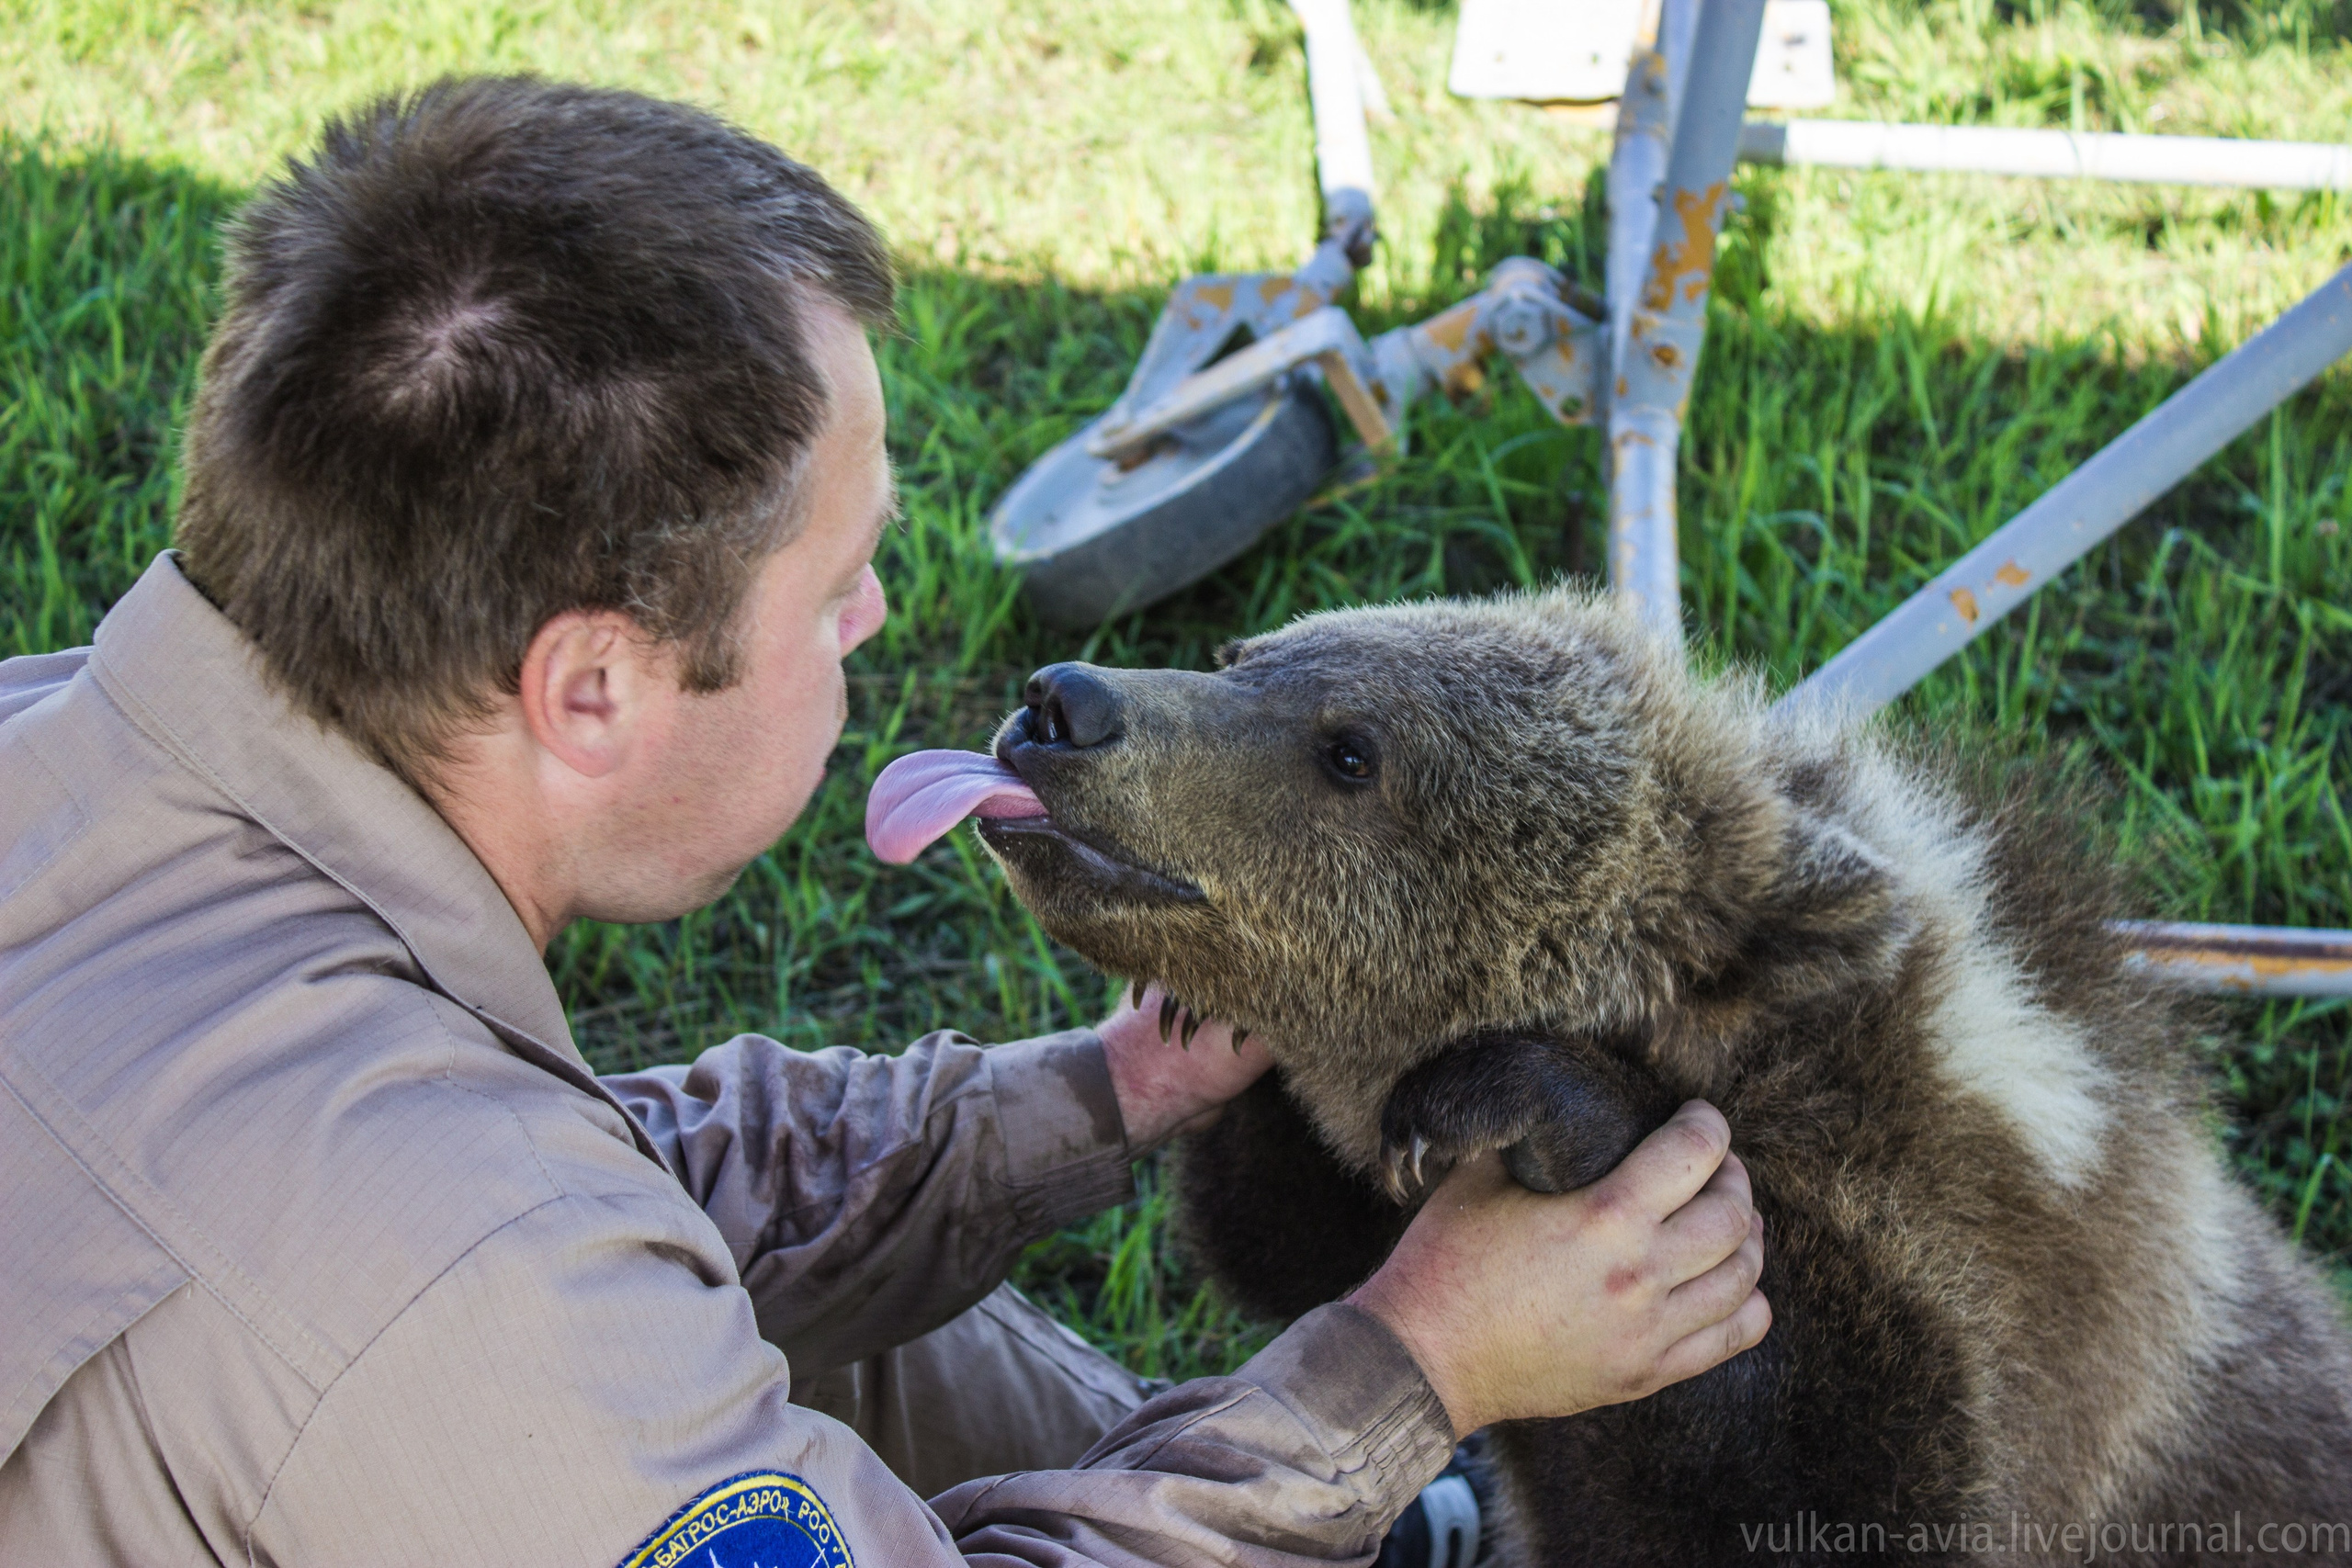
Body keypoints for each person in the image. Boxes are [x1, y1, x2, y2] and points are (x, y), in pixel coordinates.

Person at [0, 76, 1770, 1566]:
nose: (868, 628)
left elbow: (603, 1190)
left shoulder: (72, 751)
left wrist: (1090, 1096)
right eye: (836, 588)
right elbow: (489, 1270)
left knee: (862, 1349)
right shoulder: (470, 1293)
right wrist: (1414, 1362)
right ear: (591, 689)